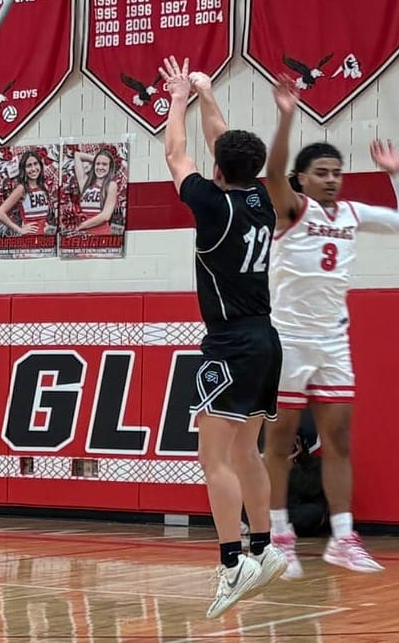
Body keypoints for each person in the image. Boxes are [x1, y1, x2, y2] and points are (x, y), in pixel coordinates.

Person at [263, 78, 399, 577]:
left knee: (339, 441)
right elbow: (273, 171)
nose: (332, 179)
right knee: (280, 443)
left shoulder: (353, 213)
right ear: (302, 179)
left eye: (337, 172)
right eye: (322, 172)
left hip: (333, 338)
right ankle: (278, 538)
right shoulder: (292, 208)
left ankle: (342, 536)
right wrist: (286, 117)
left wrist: (397, 174)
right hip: (288, 338)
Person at [159, 58, 287, 618]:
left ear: (218, 170)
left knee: (213, 459)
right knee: (245, 451)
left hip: (230, 343)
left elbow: (176, 154)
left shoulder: (212, 207)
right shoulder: (262, 199)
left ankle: (233, 563)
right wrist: (208, 94)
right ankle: (264, 546)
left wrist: (178, 99)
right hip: (265, 340)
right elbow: (223, 145)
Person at [0, 150, 52, 237]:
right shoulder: (22, 188)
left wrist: (47, 226)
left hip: (44, 239)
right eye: (29, 166)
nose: (33, 169)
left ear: (40, 165)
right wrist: (19, 230)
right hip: (28, 239)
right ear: (24, 169)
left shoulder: (44, 187)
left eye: (35, 164)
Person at [70, 148, 118, 236]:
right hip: (84, 235)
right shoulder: (85, 183)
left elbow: (105, 216)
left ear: (110, 167)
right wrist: (97, 159)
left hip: (101, 235)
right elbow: (77, 155)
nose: (100, 167)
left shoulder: (111, 185)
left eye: (104, 164)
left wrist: (83, 225)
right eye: (98, 164)